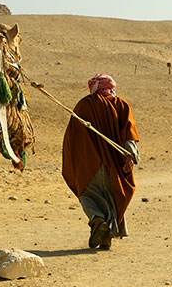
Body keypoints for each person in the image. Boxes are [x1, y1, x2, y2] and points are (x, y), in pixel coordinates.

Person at [61, 73, 140, 249]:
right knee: (112, 198)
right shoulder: (122, 104)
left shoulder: (85, 104)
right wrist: (130, 155)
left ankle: (97, 221)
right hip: (115, 165)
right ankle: (106, 236)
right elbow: (130, 134)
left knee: (88, 195)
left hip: (89, 165)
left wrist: (75, 163)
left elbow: (72, 139)